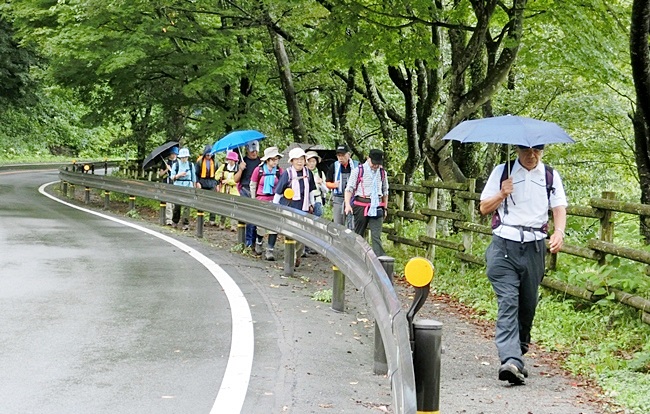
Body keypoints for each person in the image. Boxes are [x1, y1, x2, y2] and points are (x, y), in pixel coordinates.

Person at [479, 144, 567, 385]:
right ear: (517, 150)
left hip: (534, 247)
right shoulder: (502, 171)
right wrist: (501, 194)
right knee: (508, 301)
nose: (531, 155)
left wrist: (559, 232)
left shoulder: (549, 176)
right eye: (526, 150)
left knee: (528, 304)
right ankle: (510, 360)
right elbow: (484, 207)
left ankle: (517, 353)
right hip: (503, 246)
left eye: (537, 150)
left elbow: (559, 207)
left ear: (542, 151)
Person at [273, 147, 316, 268]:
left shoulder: (308, 173)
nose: (299, 162)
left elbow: (311, 190)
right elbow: (278, 192)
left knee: (302, 235)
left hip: (304, 208)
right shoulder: (287, 173)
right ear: (291, 161)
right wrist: (275, 207)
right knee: (291, 235)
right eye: (296, 159)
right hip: (290, 208)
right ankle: (290, 260)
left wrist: (313, 203)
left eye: (301, 159)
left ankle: (297, 255)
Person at [344, 149, 388, 257]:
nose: (375, 166)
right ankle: (355, 256)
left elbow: (385, 191)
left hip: (377, 205)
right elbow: (349, 189)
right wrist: (347, 205)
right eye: (374, 163)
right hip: (361, 204)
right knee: (358, 234)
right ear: (368, 159)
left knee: (376, 236)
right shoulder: (358, 171)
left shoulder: (382, 173)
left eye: (378, 164)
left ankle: (379, 259)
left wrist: (385, 208)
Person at [250, 146, 283, 260]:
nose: (275, 162)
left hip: (274, 200)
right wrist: (253, 200)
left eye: (276, 159)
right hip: (261, 200)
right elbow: (253, 185)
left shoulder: (279, 171)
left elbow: (283, 185)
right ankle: (259, 242)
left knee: (274, 226)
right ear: (267, 160)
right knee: (261, 225)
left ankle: (270, 250)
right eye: (273, 159)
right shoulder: (258, 170)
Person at [234, 140, 262, 248]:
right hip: (245, 190)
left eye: (255, 150)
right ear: (247, 150)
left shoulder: (261, 162)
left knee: (257, 218)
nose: (254, 153)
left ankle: (255, 240)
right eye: (252, 151)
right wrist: (241, 169)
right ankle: (248, 241)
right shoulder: (242, 161)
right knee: (248, 217)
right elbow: (235, 179)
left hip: (257, 192)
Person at [326, 145, 357, 226]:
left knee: (353, 224)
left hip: (353, 199)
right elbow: (327, 183)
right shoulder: (334, 166)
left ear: (348, 155)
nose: (340, 158)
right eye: (338, 155)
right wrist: (334, 185)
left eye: (342, 155)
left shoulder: (356, 166)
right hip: (338, 198)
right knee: (338, 224)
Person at [305, 150, 328, 254]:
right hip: (306, 201)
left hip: (317, 200)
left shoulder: (320, 173)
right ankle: (305, 246)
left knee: (316, 224)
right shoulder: (304, 173)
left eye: (313, 161)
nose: (311, 164)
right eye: (309, 161)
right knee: (306, 223)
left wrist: (321, 183)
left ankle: (314, 246)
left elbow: (326, 190)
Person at [170, 147, 197, 231]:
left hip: (188, 186)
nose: (184, 159)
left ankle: (185, 223)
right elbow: (172, 177)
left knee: (187, 205)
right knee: (177, 205)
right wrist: (179, 175)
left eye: (185, 157)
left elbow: (193, 177)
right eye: (182, 157)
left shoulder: (191, 165)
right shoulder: (176, 165)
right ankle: (175, 221)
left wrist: (194, 187)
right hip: (178, 185)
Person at [215, 151, 241, 231]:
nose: (231, 161)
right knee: (223, 207)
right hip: (224, 189)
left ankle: (233, 225)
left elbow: (237, 181)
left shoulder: (238, 169)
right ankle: (222, 223)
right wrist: (221, 177)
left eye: (233, 160)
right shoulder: (223, 166)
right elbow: (216, 175)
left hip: (234, 190)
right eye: (230, 159)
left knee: (234, 208)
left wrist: (228, 181)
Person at [195, 144, 219, 225]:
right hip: (202, 182)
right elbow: (196, 173)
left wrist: (217, 184)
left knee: (213, 201)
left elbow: (217, 174)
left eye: (210, 155)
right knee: (201, 201)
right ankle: (201, 218)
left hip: (212, 183)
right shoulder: (200, 162)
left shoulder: (215, 162)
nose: (209, 156)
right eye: (207, 155)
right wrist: (197, 182)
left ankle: (212, 219)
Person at [159, 146, 178, 226]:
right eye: (172, 154)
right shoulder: (165, 162)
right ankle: (168, 219)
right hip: (167, 183)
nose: (174, 155)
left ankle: (174, 219)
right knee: (168, 202)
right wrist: (166, 169)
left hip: (175, 184)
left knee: (174, 203)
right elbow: (160, 174)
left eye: (175, 154)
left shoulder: (178, 163)